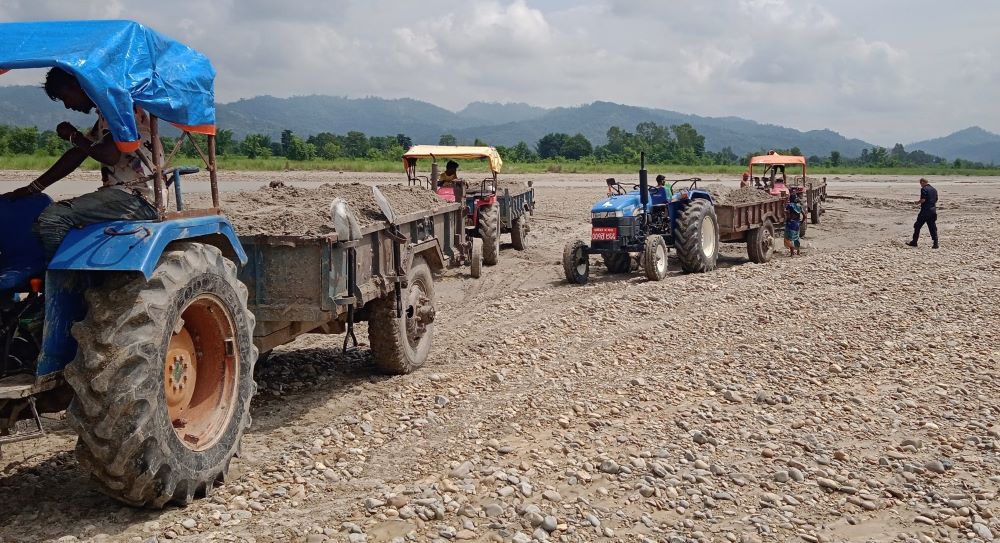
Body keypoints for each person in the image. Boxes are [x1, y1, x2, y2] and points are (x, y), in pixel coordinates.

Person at [0, 68, 157, 261]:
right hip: (122, 194)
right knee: (46, 219)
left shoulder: (117, 109)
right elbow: (76, 155)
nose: (67, 105)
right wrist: (32, 188)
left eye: (65, 97)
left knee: (53, 218)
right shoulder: (106, 115)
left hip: (137, 197)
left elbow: (109, 155)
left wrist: (74, 136)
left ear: (77, 87)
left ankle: (66, 284)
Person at [907, 178, 938, 248]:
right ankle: (935, 243)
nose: (921, 185)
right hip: (933, 211)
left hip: (925, 211)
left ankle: (914, 242)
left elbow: (923, 200)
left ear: (923, 182)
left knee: (917, 226)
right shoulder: (934, 189)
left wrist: (917, 203)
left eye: (921, 183)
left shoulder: (924, 189)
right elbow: (936, 200)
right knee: (932, 227)